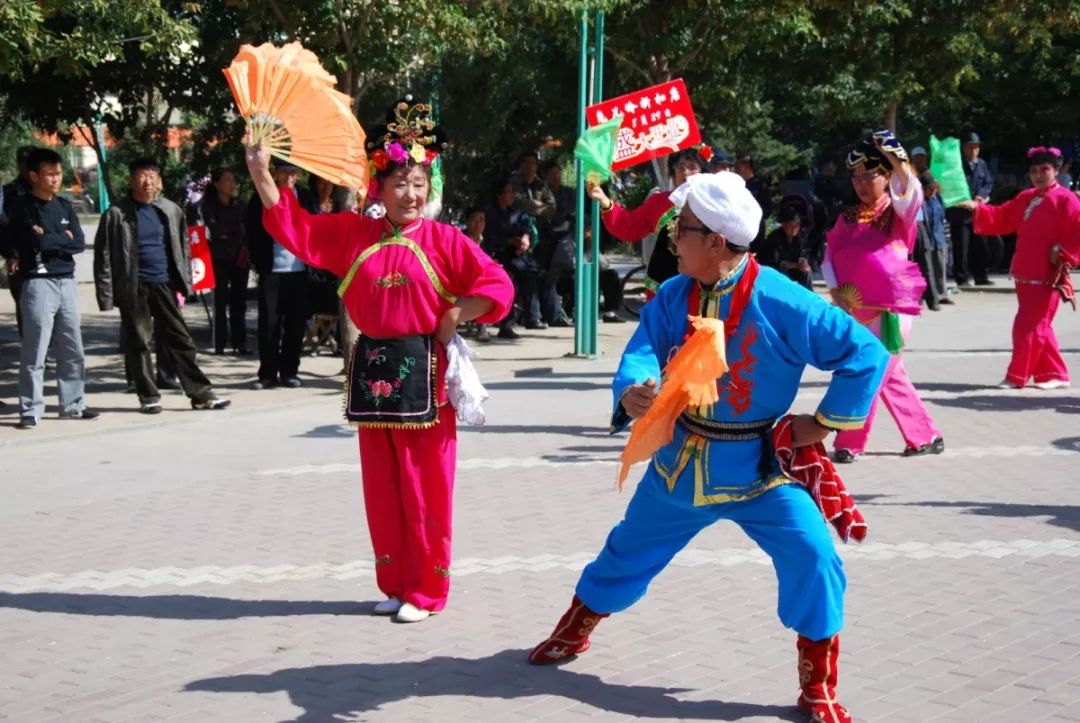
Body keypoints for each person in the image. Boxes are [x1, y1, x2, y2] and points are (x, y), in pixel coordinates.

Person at [528, 172, 889, 723]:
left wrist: (821, 423)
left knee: (815, 556)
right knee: (627, 550)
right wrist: (633, 390)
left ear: (717, 241)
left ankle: (818, 684)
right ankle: (575, 629)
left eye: (682, 229)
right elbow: (643, 348)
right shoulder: (673, 294)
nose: (671, 237)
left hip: (763, 472)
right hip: (681, 465)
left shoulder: (783, 300)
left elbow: (865, 352)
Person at [247, 96, 514, 623]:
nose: (410, 194)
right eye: (399, 183)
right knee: (382, 487)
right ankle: (394, 582)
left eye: (419, 183)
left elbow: (498, 285)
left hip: (427, 376)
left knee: (426, 487)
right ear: (378, 186)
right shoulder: (354, 234)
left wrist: (458, 311)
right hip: (373, 373)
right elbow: (294, 229)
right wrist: (260, 171)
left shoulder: (444, 241)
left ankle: (427, 590)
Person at [822, 131, 943, 463]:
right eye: (856, 177)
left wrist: (898, 160)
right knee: (890, 375)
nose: (861, 184)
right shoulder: (847, 216)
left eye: (869, 175)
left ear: (886, 176)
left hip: (891, 311)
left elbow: (912, 192)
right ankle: (926, 435)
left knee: (870, 370)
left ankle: (848, 441)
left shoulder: (899, 212)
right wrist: (834, 290)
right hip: (854, 309)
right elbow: (829, 257)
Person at [94, 157, 231, 415]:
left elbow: (183, 249)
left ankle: (200, 394)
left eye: (153, 176)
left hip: (165, 283)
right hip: (134, 286)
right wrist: (106, 294)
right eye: (142, 176)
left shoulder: (171, 209)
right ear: (131, 179)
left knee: (181, 340)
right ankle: (148, 396)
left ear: (159, 181)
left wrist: (186, 284)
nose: (148, 181)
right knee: (140, 341)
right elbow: (103, 257)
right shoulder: (116, 214)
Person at [958, 146, 1080, 389]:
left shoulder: (1066, 199)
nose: (1038, 175)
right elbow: (1002, 217)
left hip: (1047, 273)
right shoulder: (1027, 197)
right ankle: (1054, 374)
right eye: (1034, 170)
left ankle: (1017, 376)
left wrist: (1061, 250)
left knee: (1026, 326)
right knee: (1038, 325)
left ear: (1056, 171)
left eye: (1044, 169)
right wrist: (976, 208)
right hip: (1025, 271)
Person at [9, 148, 98, 428]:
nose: (56, 179)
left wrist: (51, 237)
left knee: (72, 347)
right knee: (35, 350)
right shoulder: (22, 208)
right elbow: (35, 244)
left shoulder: (64, 206)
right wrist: (60, 239)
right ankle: (30, 409)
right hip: (37, 282)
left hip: (67, 281)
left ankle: (72, 404)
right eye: (50, 174)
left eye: (58, 173)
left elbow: (78, 243)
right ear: (34, 175)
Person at [589, 144, 715, 297]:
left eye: (692, 166)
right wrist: (605, 201)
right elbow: (629, 225)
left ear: (703, 172)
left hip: (703, 288)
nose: (685, 172)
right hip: (663, 288)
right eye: (680, 166)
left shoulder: (714, 204)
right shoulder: (659, 203)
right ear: (673, 172)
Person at [245, 159, 310, 388]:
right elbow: (251, 228)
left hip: (299, 269)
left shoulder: (305, 196)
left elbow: (315, 225)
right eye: (284, 171)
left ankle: (290, 371)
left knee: (296, 324)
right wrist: (257, 258)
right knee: (269, 323)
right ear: (276, 173)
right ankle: (267, 374)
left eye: (293, 171)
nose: (289, 176)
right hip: (271, 268)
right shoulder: (262, 194)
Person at [483, 178, 545, 337]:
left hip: (516, 254)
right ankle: (506, 323)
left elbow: (526, 225)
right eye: (508, 191)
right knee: (508, 279)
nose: (511, 195)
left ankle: (531, 317)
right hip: (497, 255)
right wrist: (511, 241)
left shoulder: (515, 211)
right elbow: (491, 237)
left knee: (532, 271)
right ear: (499, 195)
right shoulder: (490, 213)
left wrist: (524, 238)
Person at [200, 167, 251, 355]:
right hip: (219, 258)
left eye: (233, 180)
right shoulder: (209, 205)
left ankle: (240, 342)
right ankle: (220, 342)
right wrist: (231, 231)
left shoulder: (240, 204)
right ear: (217, 184)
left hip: (239, 258)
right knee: (220, 301)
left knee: (239, 301)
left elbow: (244, 228)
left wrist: (230, 232)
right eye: (227, 180)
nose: (232, 184)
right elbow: (215, 229)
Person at [946, 132, 995, 286]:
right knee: (962, 248)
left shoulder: (982, 164)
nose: (974, 151)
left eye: (976, 147)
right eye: (971, 147)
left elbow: (988, 183)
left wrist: (981, 196)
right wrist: (965, 201)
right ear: (964, 148)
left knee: (981, 246)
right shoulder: (956, 166)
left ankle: (981, 276)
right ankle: (962, 278)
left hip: (977, 213)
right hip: (960, 213)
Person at [1, 146, 35, 337]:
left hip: (47, 259)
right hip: (19, 259)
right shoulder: (8, 193)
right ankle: (33, 348)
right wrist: (11, 253)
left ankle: (44, 348)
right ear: (20, 165)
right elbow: (3, 228)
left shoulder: (45, 191)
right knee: (25, 304)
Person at [753, 204, 813, 289]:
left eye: (797, 225)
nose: (794, 228)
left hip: (793, 268)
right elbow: (774, 262)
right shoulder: (775, 237)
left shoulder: (800, 237)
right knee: (782, 275)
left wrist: (803, 261)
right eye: (791, 225)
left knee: (807, 272)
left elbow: (803, 253)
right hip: (774, 270)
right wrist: (795, 265)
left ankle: (808, 299)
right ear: (784, 225)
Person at [915, 171, 952, 310]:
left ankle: (933, 299)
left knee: (928, 268)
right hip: (915, 231)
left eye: (933, 189)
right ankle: (917, 299)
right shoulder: (917, 197)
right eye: (929, 189)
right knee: (915, 269)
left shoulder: (935, 198)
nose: (932, 191)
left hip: (926, 234)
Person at [735, 154, 773, 246]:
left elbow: (767, 209)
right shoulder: (737, 185)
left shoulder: (760, 186)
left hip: (756, 229)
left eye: (739, 166)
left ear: (747, 166)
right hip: (740, 230)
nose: (736, 169)